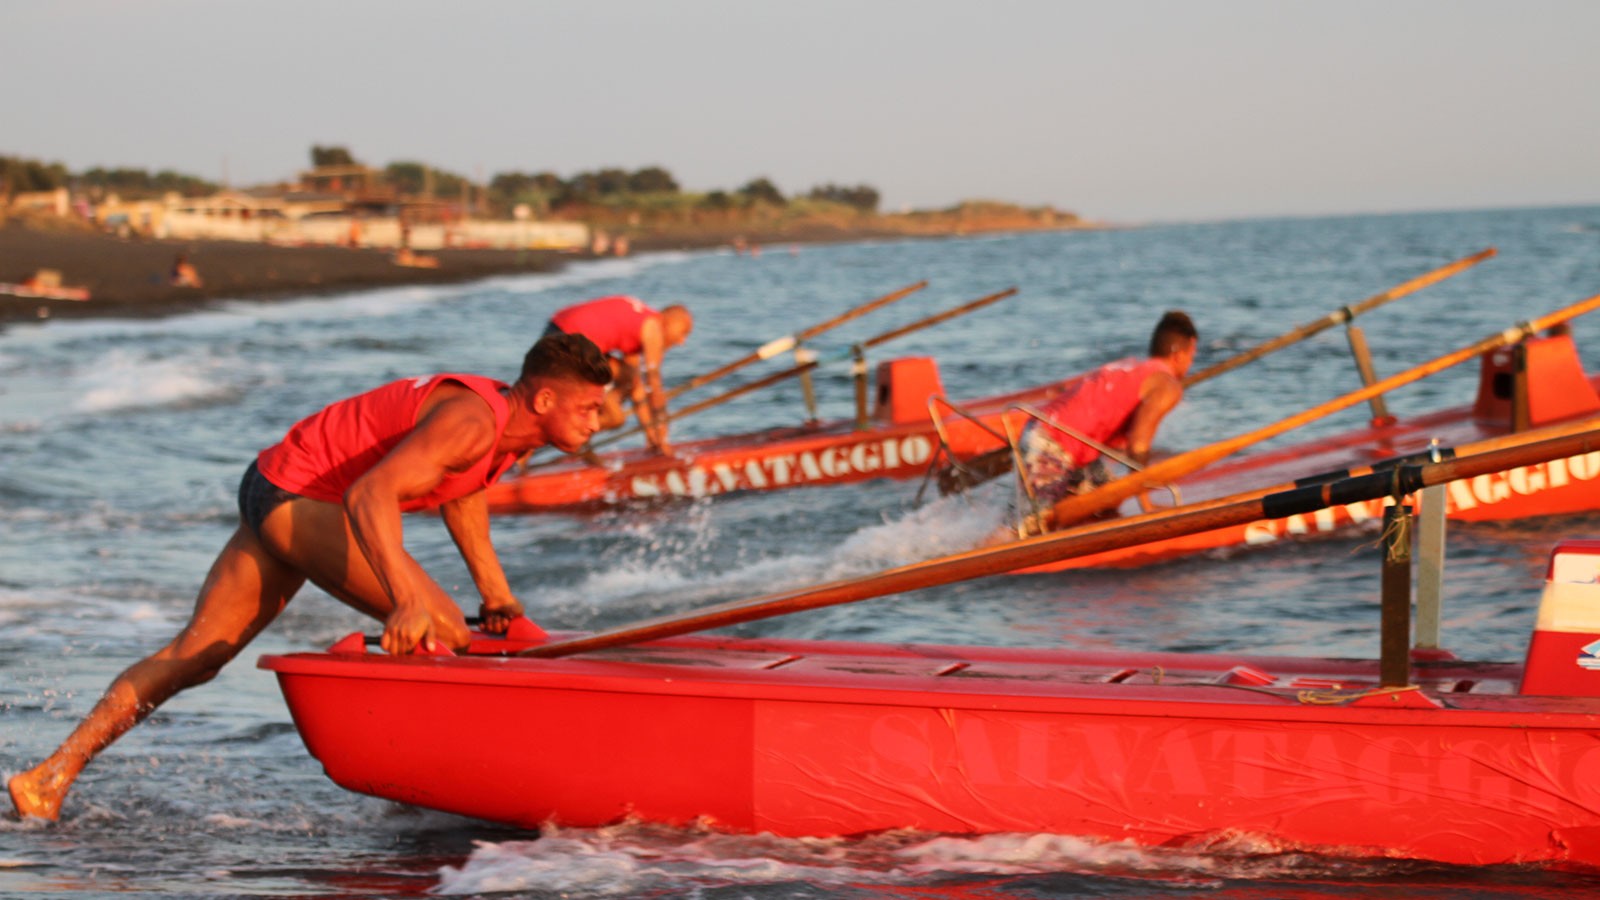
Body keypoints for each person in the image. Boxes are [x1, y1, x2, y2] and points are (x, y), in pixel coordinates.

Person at [7, 334, 613, 822]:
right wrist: (405, 599)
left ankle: (47, 777)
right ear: (543, 402)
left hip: (274, 484)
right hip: (300, 497)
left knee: (198, 656)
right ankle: (421, 793)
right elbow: (370, 491)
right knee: (445, 631)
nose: (599, 421)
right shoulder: (472, 423)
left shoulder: (504, 432)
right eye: (588, 407)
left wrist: (495, 591)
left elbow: (461, 492)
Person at [1016, 310, 1198, 533]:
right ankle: (977, 562)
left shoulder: (1130, 366)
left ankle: (1095, 544)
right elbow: (1138, 445)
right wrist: (1146, 505)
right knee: (1025, 529)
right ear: (1180, 353)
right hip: (1052, 445)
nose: (1191, 363)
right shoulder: (1167, 384)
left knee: (1108, 497)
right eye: (1192, 356)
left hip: (1047, 435)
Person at [543, 296, 694, 454]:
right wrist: (663, 439)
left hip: (557, 330)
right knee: (615, 418)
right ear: (670, 322)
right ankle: (560, 433)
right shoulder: (653, 327)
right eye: (684, 332)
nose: (682, 341)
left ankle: (578, 433)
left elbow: (637, 389)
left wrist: (651, 438)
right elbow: (654, 388)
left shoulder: (642, 323)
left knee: (627, 382)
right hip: (567, 342)